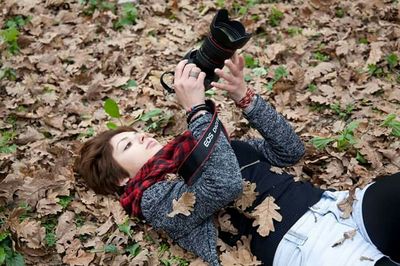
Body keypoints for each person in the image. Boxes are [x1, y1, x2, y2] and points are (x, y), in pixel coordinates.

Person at [74, 54, 400, 266]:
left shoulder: (198, 147)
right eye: (129, 144)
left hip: (338, 205)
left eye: (137, 132)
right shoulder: (153, 200)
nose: (143, 136)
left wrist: (244, 97)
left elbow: (290, 151)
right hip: (303, 247)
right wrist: (197, 111)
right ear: (121, 179)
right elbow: (225, 184)